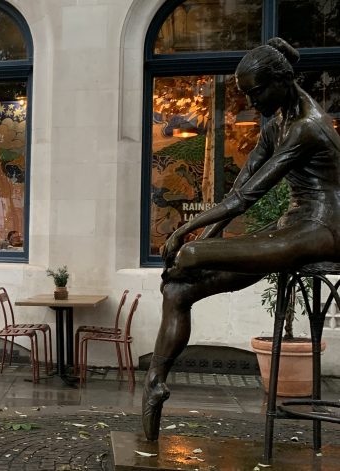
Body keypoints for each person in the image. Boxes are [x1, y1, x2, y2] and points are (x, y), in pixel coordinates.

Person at [143, 37, 340, 441]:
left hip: (324, 229)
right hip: (291, 226)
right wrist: (204, 240)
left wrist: (185, 235)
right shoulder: (276, 123)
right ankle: (154, 383)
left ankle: (155, 380)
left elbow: (245, 198)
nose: (252, 101)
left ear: (282, 81)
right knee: (178, 290)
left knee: (193, 254)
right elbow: (242, 186)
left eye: (256, 91)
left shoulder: (307, 127)